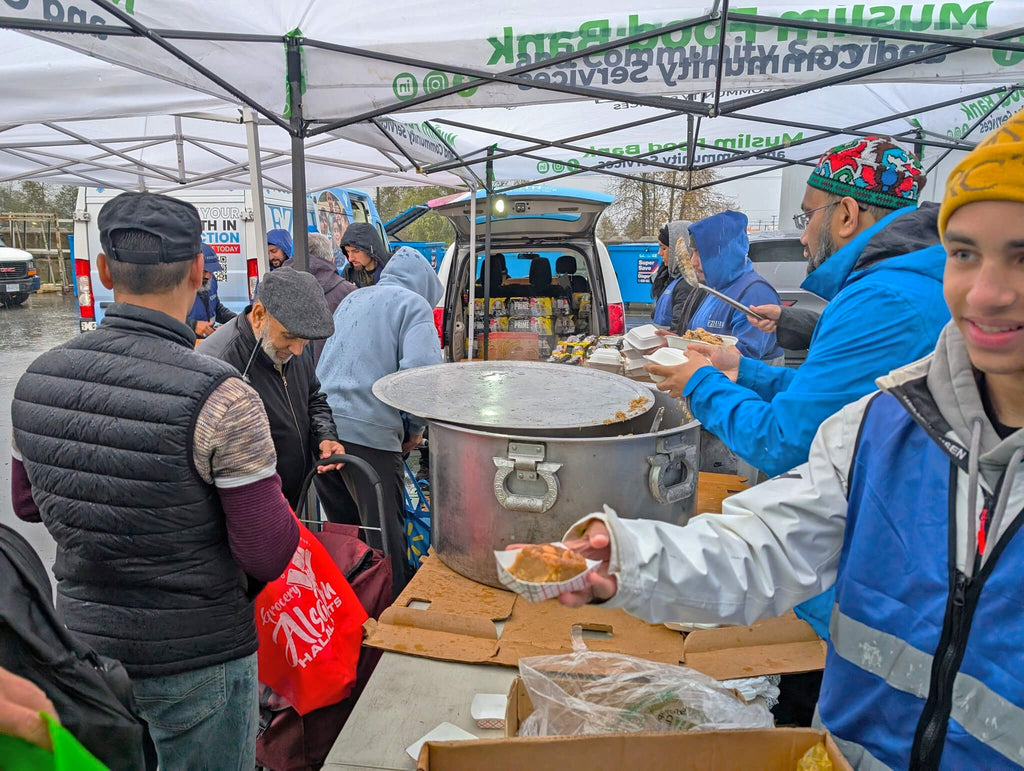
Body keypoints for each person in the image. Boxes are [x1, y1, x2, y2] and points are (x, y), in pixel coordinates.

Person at [557, 112, 1024, 770]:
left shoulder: (881, 302)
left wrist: (700, 382)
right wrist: (627, 560)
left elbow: (783, 440)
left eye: (1022, 254)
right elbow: (767, 544)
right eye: (966, 252)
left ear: (847, 213)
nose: (987, 291)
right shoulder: (888, 421)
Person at [10, 192, 299, 769]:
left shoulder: (34, 380)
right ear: (199, 269)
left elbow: (26, 505)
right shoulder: (224, 395)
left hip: (85, 648)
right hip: (200, 656)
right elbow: (267, 552)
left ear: (105, 271)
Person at [315, 246, 443, 591]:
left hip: (323, 432)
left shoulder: (352, 299)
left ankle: (351, 615)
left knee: (347, 539)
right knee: (385, 540)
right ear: (426, 288)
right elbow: (422, 376)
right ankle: (390, 623)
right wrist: (415, 430)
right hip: (369, 435)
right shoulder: (413, 305)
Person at [202, 265, 346, 510]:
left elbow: (313, 397)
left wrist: (325, 436)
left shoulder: (292, 342)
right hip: (247, 513)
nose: (298, 350)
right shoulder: (218, 363)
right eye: (289, 337)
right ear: (259, 315)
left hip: (288, 500)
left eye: (304, 341)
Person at [683, 210, 784, 363]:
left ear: (724, 254)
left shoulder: (756, 293)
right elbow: (696, 338)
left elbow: (744, 360)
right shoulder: (716, 288)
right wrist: (673, 343)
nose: (693, 262)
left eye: (699, 253)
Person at [283, 233, 357, 366]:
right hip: (333, 373)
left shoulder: (274, 285)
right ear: (332, 261)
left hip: (287, 372)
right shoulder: (349, 293)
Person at [650, 221, 706, 334]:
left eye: (664, 248)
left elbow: (678, 328)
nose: (659, 253)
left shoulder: (687, 284)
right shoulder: (671, 279)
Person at [187, 243, 236, 338]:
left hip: (205, 341)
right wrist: (193, 325)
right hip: (184, 342)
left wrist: (238, 320)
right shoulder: (176, 287)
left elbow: (216, 308)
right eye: (204, 271)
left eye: (211, 271)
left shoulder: (210, 280)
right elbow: (165, 319)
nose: (208, 276)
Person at [339, 223, 390, 287]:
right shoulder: (349, 272)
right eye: (347, 252)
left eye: (356, 251)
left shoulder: (390, 271)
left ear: (370, 249)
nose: (350, 258)